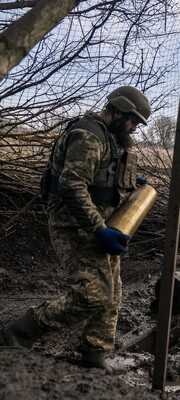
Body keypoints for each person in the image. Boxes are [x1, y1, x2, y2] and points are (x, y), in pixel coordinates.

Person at [0, 86, 151, 373]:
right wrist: (99, 231)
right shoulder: (88, 135)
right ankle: (17, 333)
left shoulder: (109, 138)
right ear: (117, 110)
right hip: (74, 223)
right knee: (94, 294)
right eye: (132, 119)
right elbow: (72, 185)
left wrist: (128, 181)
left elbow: (98, 176)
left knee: (113, 291)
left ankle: (95, 355)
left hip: (100, 222)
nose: (133, 127)